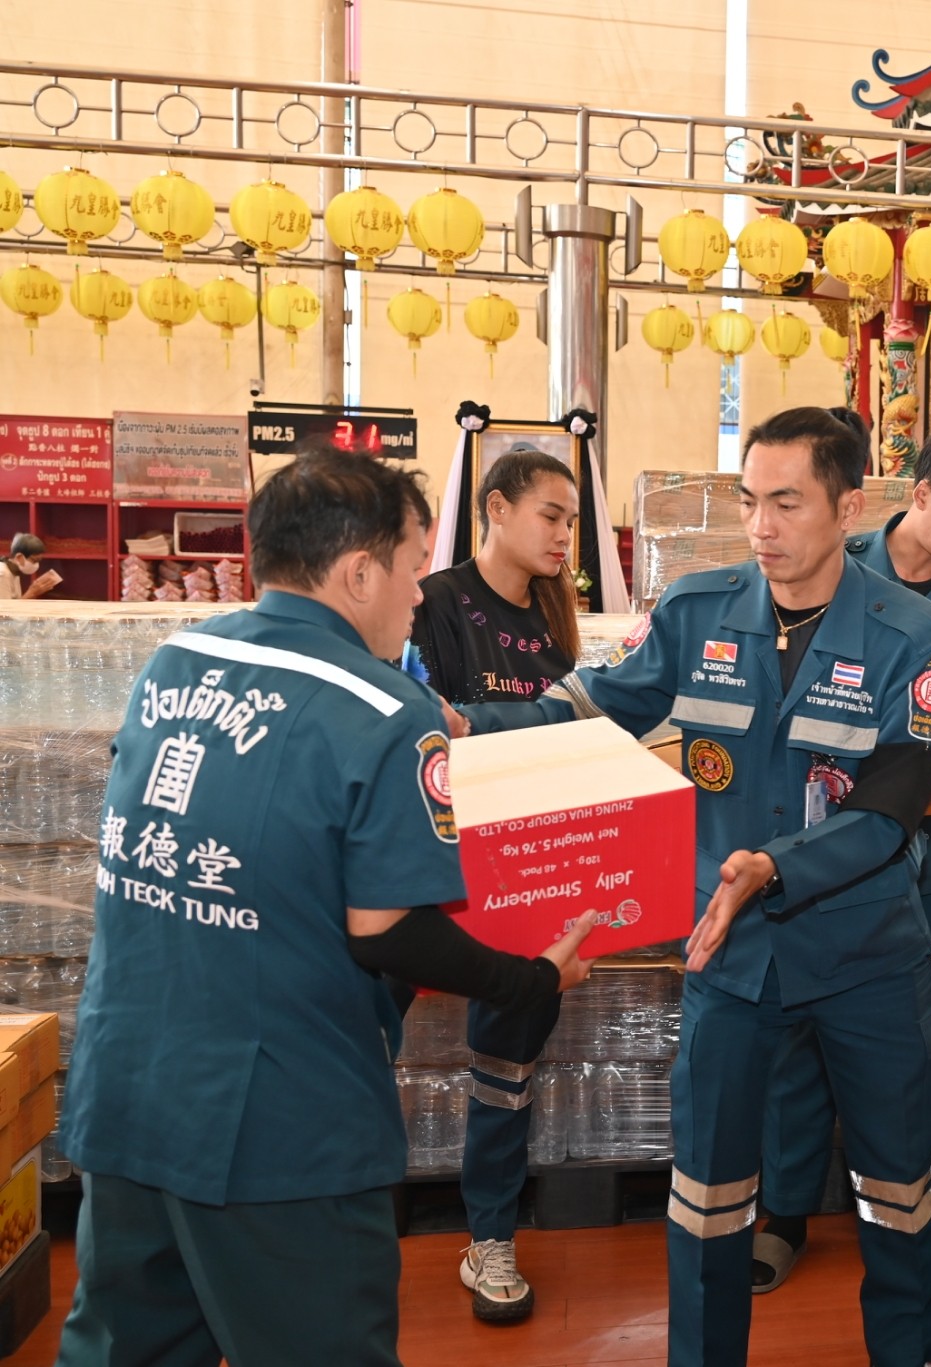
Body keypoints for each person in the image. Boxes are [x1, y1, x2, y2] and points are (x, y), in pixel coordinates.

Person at [54, 449, 602, 1367]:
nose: (420, 597)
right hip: (275, 1124)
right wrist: (533, 977)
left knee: (127, 1348)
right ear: (358, 572)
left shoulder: (176, 661)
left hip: (127, 1092)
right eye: (413, 569)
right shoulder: (384, 709)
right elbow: (388, 930)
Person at [462, 406, 931, 1367]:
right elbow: (589, 709)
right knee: (707, 1196)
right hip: (729, 958)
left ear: (849, 507)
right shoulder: (697, 612)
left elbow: (893, 804)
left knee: (897, 1189)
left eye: (787, 503)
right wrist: (467, 725)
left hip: (865, 955)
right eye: (749, 500)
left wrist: (776, 865)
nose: (761, 527)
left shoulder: (912, 633)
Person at [756, 427, 931, 1319]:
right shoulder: (837, 571)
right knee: (803, 1035)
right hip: (838, 859)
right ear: (919, 494)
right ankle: (785, 1212)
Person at [407, 444, 581, 1322]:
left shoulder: (555, 623)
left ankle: (490, 1236)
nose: (564, 535)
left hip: (531, 869)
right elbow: (424, 734)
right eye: (551, 515)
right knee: (360, 1035)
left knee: (507, 1060)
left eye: (572, 521)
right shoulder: (433, 603)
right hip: (430, 868)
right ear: (497, 507)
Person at [2, 533, 60, 600]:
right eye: (34, 560)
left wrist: (35, 592)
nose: (36, 565)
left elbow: (16, 602)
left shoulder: (14, 572)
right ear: (19, 557)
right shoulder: (3, 574)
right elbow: (5, 606)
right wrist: (32, 592)